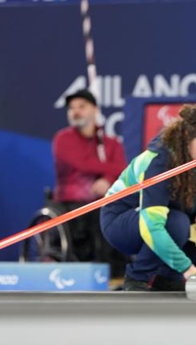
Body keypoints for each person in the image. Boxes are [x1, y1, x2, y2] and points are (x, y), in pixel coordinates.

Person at [99, 104, 196, 292]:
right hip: (120, 222)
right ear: (186, 139)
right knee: (176, 223)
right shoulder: (158, 162)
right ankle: (137, 278)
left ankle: (168, 278)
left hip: (169, 215)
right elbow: (152, 226)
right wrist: (188, 269)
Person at [52, 89, 127, 278]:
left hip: (104, 204)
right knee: (96, 215)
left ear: (95, 110)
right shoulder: (63, 139)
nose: (75, 111)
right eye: (71, 108)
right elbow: (81, 164)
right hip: (71, 207)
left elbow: (123, 169)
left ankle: (119, 272)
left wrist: (107, 180)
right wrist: (110, 169)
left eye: (81, 107)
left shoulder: (111, 143)